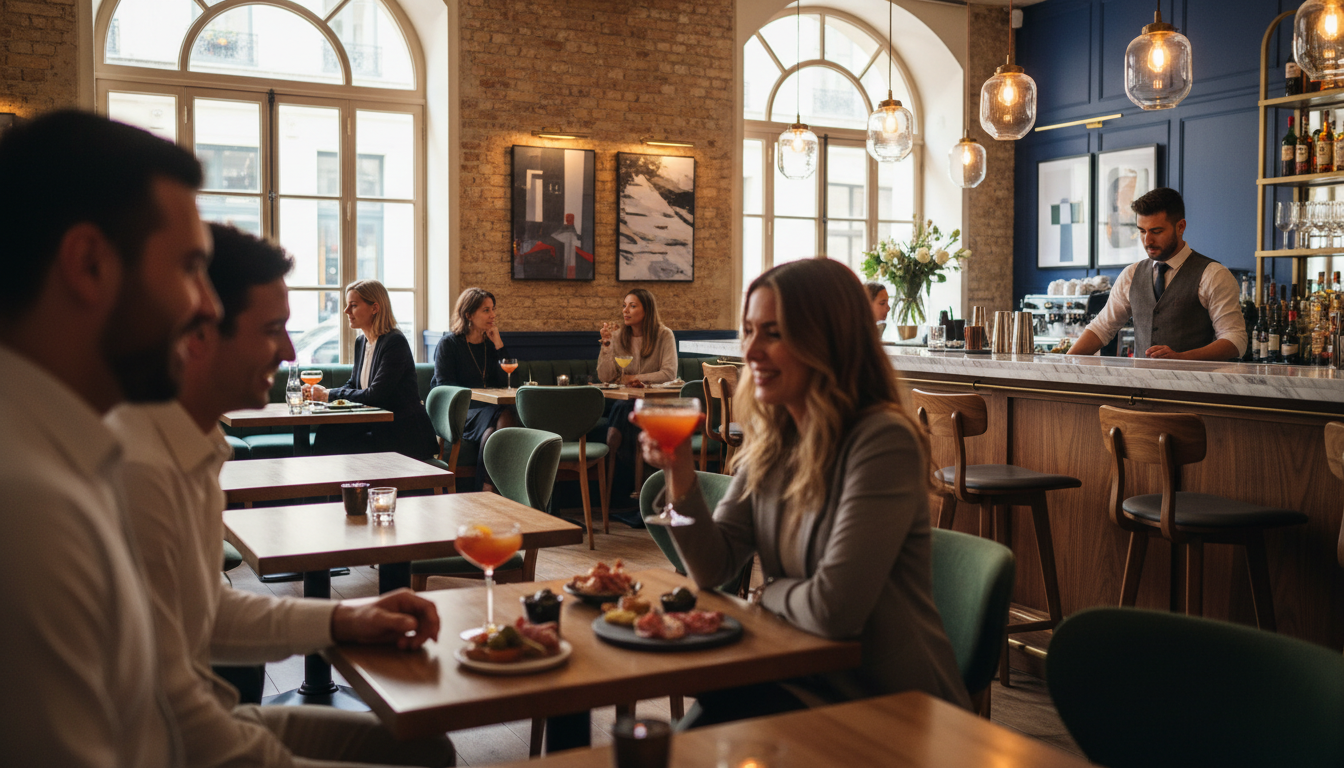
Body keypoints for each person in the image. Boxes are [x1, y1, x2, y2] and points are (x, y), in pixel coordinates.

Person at [107, 225, 453, 768]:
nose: (290, 350)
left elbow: (201, 613)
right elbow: (173, 730)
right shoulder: (139, 468)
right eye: (273, 329)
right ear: (198, 333)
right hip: (167, 742)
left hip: (214, 719)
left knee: (426, 750)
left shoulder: (198, 451)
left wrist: (344, 621)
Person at [639, 258, 970, 726]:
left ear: (828, 342)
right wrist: (679, 469)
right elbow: (713, 567)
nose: (751, 350)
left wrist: (767, 593)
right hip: (798, 679)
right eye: (749, 330)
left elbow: (835, 610)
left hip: (888, 707)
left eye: (773, 333)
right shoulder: (775, 438)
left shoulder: (882, 441)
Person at [0, 110, 218, 766]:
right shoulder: (30, 505)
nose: (207, 305)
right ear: (89, 264)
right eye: (188, 268)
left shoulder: (68, 455)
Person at [1069, 187, 1247, 360]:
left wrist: (1182, 358)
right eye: (1142, 231)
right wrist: (1065, 360)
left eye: (1156, 231)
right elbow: (1101, 328)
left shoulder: (1213, 275)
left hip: (1194, 387)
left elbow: (1235, 340)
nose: (1147, 240)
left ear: (1180, 227)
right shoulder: (1131, 275)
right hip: (1140, 387)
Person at [308, 279, 437, 460]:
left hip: (402, 431)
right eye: (347, 306)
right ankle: (332, 488)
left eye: (353, 305)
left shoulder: (395, 342)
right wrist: (326, 397)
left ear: (375, 308)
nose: (346, 311)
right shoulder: (362, 342)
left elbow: (375, 395)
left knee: (332, 439)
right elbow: (354, 384)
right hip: (377, 425)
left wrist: (329, 394)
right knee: (327, 433)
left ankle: (340, 487)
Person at [429, 287, 519, 490]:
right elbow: (444, 386)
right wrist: (477, 396)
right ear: (468, 314)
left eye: (493, 309)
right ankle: (495, 489)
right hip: (462, 412)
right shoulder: (449, 344)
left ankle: (486, 489)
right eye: (486, 310)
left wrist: (498, 343)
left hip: (489, 412)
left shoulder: (490, 345)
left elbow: (511, 383)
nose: (493, 315)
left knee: (490, 433)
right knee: (505, 415)